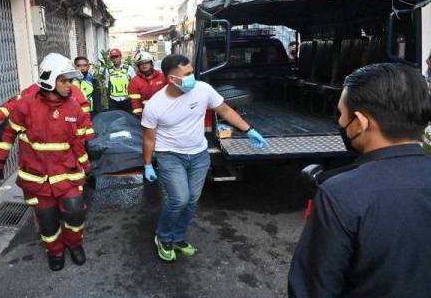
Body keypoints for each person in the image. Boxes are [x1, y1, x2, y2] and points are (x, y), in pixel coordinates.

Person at [288, 63, 431, 297]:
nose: (341, 122)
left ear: (361, 123)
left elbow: (313, 288)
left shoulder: (340, 194)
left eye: (342, 114)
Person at [141, 54, 268, 262]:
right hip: (171, 156)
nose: (193, 77)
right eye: (188, 74)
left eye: (192, 72)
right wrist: (148, 165)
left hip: (199, 155)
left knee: (191, 201)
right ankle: (163, 238)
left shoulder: (202, 90)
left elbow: (225, 109)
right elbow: (148, 138)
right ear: (172, 79)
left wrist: (249, 129)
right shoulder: (155, 105)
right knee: (179, 199)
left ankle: (178, 237)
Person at [0, 53, 92, 272]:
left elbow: (79, 141)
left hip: (68, 173)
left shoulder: (74, 106)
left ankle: (74, 244)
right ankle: (54, 251)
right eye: (64, 81)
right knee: (47, 219)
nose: (69, 86)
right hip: (37, 177)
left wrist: (87, 167)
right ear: (50, 80)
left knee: (75, 211)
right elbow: (7, 134)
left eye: (71, 81)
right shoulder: (26, 104)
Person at [128, 51, 166, 118]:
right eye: (141, 64)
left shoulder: (163, 77)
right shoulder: (134, 82)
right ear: (138, 66)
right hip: (146, 115)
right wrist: (140, 116)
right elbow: (135, 102)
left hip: (164, 112)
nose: (144, 65)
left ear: (151, 63)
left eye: (146, 62)